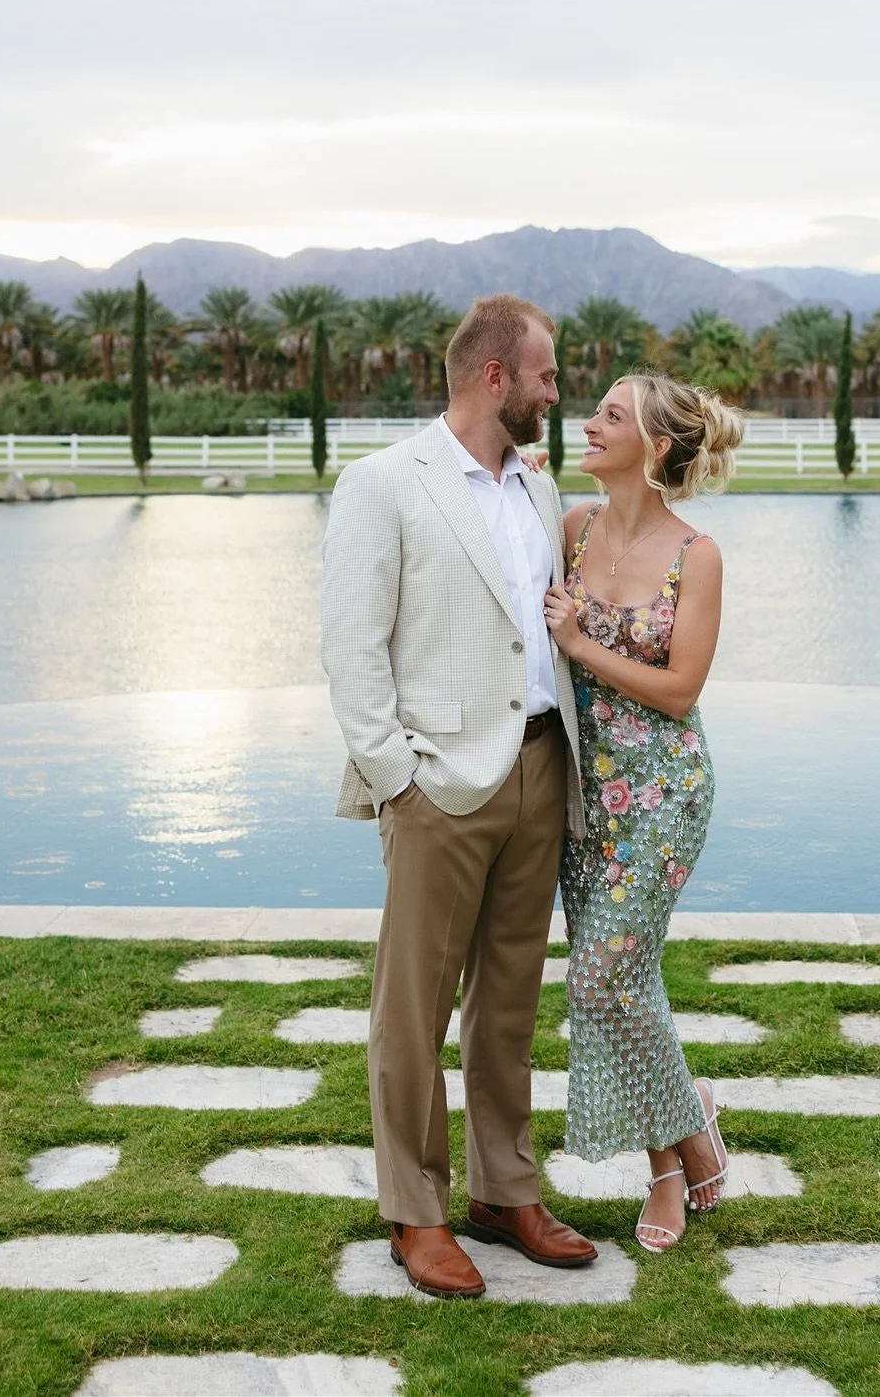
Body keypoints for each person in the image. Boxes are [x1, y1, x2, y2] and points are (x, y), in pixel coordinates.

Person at [320, 293, 597, 1299]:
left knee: (509, 1005)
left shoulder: (538, 482)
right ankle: (417, 1212)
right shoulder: (385, 484)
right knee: (413, 1009)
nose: (556, 393)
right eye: (547, 375)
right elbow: (351, 647)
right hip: (438, 784)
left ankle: (503, 1191)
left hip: (538, 765)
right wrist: (400, 779)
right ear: (495, 378)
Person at [543, 372, 743, 1252]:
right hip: (583, 797)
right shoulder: (572, 531)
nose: (587, 423)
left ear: (655, 447)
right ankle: (688, 1114)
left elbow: (680, 689)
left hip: (662, 796)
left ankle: (673, 1161)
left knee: (597, 979)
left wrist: (582, 644)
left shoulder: (694, 555)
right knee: (628, 981)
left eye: (610, 417)